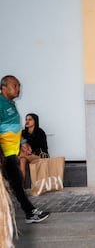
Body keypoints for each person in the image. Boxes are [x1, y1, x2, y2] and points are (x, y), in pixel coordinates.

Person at [0, 75, 50, 223]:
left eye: (19, 86)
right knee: (16, 183)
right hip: (5, 154)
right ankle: (30, 212)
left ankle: (29, 212)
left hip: (12, 152)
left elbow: (13, 128)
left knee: (15, 183)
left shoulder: (10, 104)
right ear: (4, 87)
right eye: (15, 86)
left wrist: (24, 142)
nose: (18, 89)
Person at [18, 113, 49, 184]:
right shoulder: (23, 133)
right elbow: (20, 145)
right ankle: (21, 187)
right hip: (27, 155)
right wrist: (25, 149)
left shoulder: (40, 132)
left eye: (30, 119)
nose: (27, 121)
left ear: (35, 121)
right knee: (22, 160)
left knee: (21, 156)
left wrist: (28, 150)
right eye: (26, 119)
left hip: (39, 155)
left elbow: (42, 147)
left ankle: (18, 157)